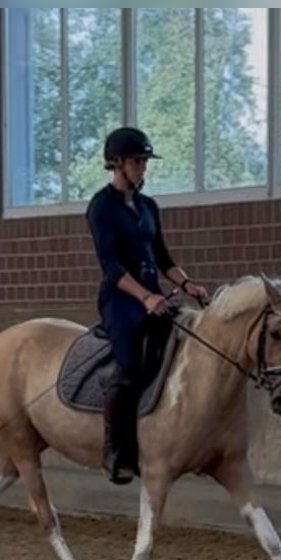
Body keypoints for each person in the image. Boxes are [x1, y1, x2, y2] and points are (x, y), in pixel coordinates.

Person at [85, 126, 209, 485]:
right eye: (138, 162)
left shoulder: (148, 206)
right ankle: (115, 449)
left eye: (144, 162)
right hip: (121, 301)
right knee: (128, 365)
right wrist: (146, 297)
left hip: (154, 296)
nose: (143, 168)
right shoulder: (101, 207)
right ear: (118, 164)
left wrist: (187, 284)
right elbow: (110, 267)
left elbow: (162, 256)